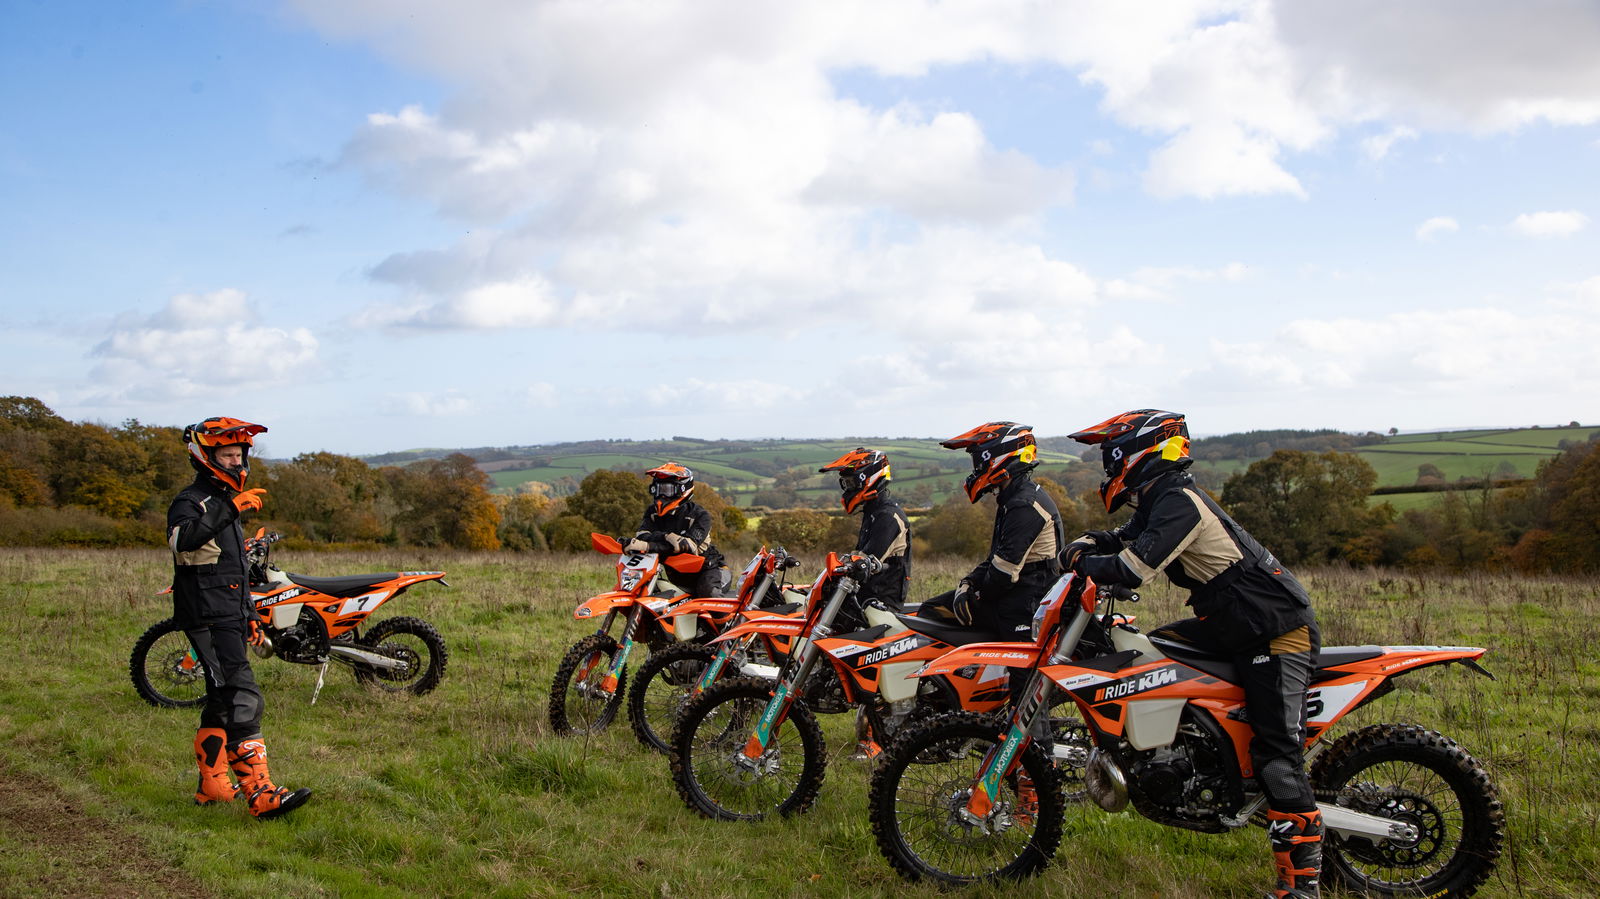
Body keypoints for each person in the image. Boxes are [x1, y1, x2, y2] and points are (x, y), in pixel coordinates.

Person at [1063, 409, 1321, 899]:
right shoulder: (1164, 498)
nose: (1107, 464)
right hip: (1230, 627)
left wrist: (1080, 558)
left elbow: (1132, 567)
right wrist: (1087, 543)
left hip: (1274, 632)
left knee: (1277, 757)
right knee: (1152, 653)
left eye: (1111, 454)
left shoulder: (1179, 501)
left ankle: (1300, 886)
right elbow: (1121, 538)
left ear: (1142, 450)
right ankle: (1196, 756)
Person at [168, 417, 311, 819]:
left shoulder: (226, 502)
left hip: (228, 611)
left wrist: (249, 613)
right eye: (227, 455)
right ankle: (260, 793)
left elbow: (233, 569)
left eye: (239, 455)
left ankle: (213, 785)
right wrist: (227, 509)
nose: (235, 462)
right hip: (206, 614)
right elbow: (182, 543)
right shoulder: (191, 501)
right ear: (205, 456)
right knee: (242, 695)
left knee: (220, 698)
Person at [924, 422, 1063, 638]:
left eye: (980, 461)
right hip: (1019, 594)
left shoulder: (1024, 504)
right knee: (932, 609)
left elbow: (1003, 575)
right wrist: (968, 583)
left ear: (999, 458)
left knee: (932, 612)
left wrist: (974, 595)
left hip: (1026, 603)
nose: (976, 469)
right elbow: (996, 560)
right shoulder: (1013, 498)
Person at [818, 447, 912, 613]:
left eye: (851, 483)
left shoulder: (889, 517)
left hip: (880, 606)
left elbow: (864, 563)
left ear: (869, 478)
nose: (848, 489)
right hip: (863, 599)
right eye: (845, 483)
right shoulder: (873, 513)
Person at [625, 462, 728, 597]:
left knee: (708, 594)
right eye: (658, 489)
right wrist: (667, 537)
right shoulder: (652, 513)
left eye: (667, 490)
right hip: (677, 574)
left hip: (710, 571)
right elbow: (642, 536)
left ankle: (726, 618)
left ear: (683, 490)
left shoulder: (700, 515)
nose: (661, 495)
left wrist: (648, 544)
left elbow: (686, 546)